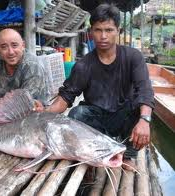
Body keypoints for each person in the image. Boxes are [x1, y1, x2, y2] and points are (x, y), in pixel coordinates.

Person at [35, 3, 155, 171]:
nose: (103, 36)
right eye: (98, 30)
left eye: (109, 30)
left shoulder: (133, 57)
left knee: (143, 107)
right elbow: (65, 98)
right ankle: (98, 151)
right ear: (91, 32)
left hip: (123, 116)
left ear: (118, 31)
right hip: (97, 121)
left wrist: (145, 120)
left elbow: (145, 90)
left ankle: (128, 154)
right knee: (77, 114)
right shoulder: (84, 65)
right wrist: (45, 111)